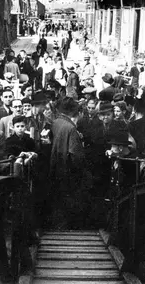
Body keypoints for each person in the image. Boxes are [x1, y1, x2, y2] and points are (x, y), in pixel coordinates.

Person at [49, 97, 92, 229]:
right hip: (69, 172)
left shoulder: (56, 122)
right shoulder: (71, 129)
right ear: (77, 113)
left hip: (56, 167)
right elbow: (76, 157)